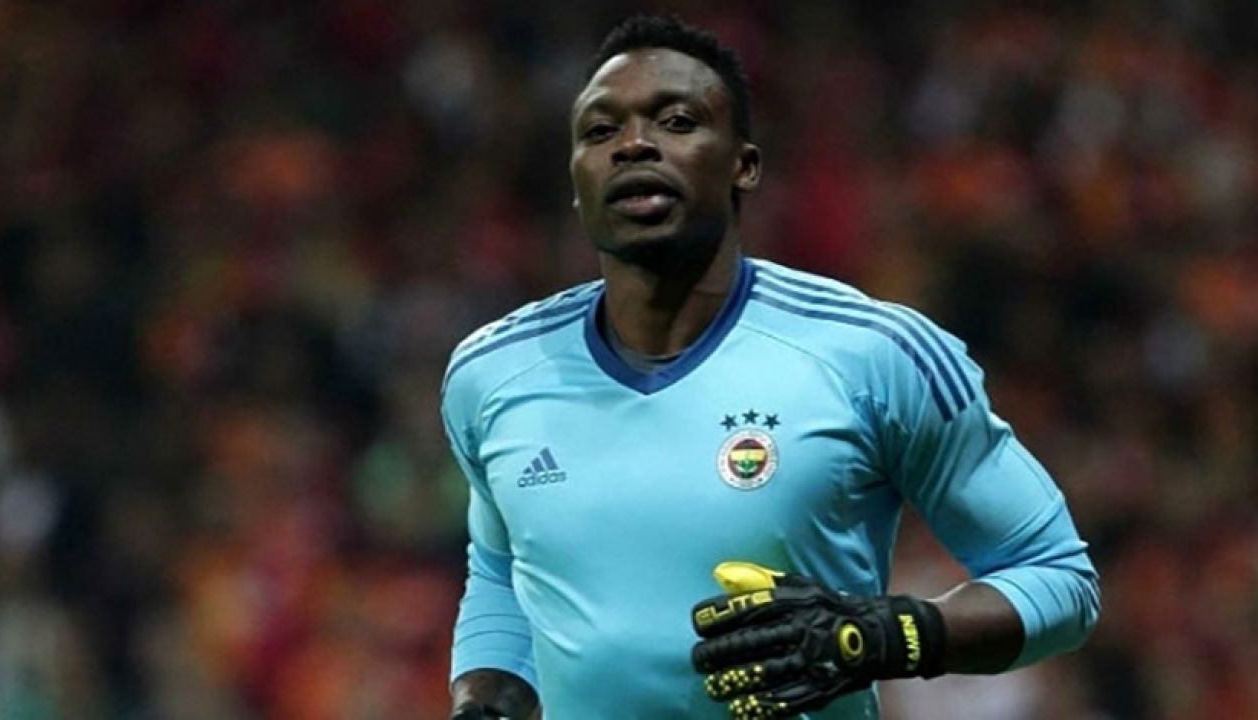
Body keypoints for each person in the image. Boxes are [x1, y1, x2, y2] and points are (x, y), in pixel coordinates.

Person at [441, 14, 1099, 720]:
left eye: (676, 121)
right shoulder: (493, 373)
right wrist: (486, 699)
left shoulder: (873, 353)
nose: (633, 144)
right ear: (576, 182)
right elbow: (501, 574)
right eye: (600, 131)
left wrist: (891, 635)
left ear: (744, 165)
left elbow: (1058, 577)